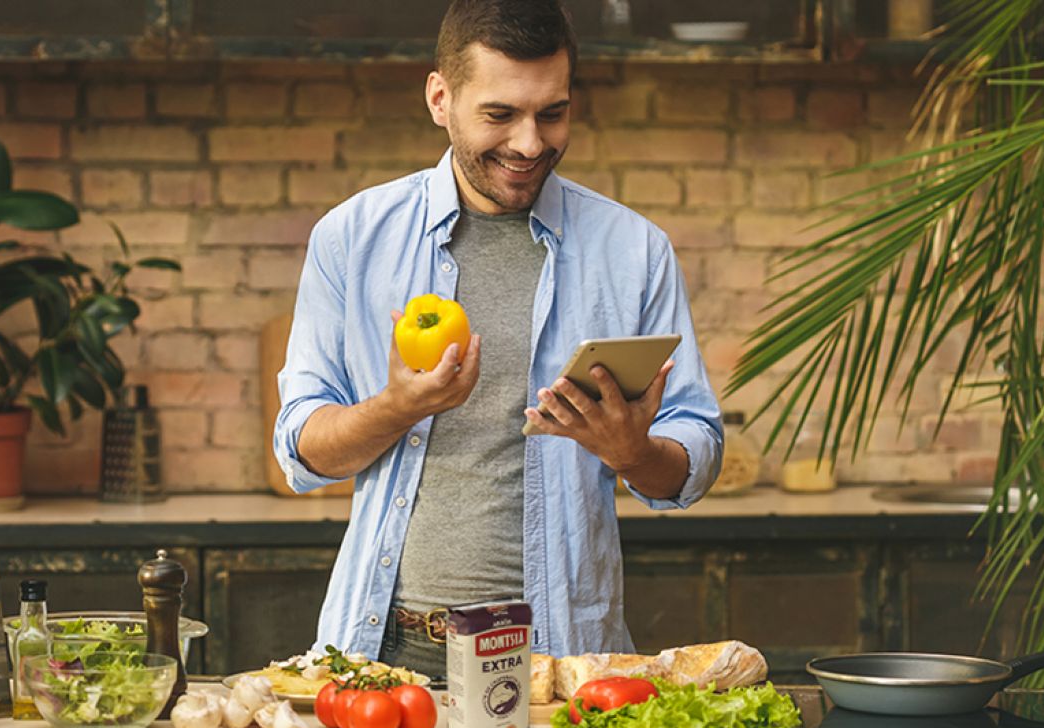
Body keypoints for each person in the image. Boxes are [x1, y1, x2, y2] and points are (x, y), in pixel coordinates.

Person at [273, 0, 722, 677]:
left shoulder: (633, 252)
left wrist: (634, 451)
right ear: (440, 98)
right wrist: (397, 407)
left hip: (561, 659)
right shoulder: (353, 238)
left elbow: (698, 450)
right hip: (390, 655)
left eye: (552, 113)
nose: (530, 143)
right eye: (500, 115)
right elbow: (301, 450)